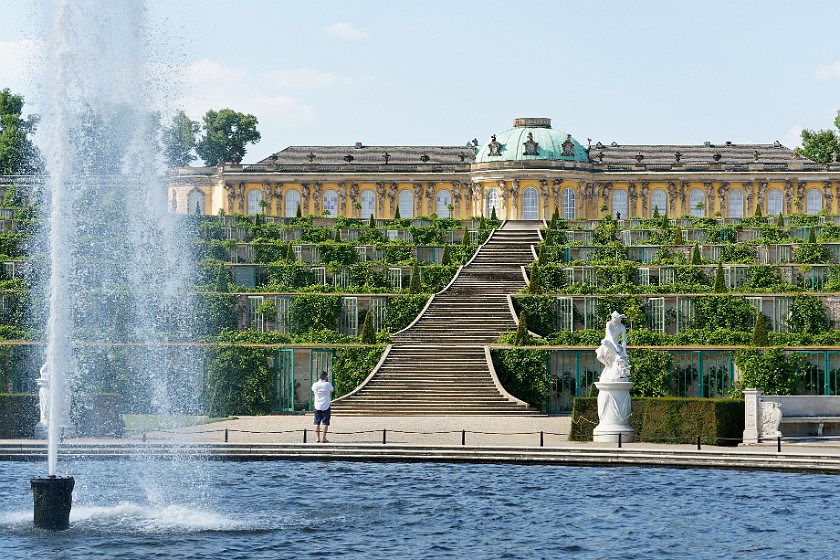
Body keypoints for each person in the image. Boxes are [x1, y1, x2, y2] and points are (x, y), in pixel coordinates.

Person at [311, 371, 334, 443]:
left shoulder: (315, 385)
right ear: (326, 377)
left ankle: (317, 438)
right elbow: (332, 389)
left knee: (317, 422)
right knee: (325, 422)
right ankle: (324, 437)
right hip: (326, 405)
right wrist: (327, 381)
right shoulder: (327, 384)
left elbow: (313, 389)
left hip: (317, 405)